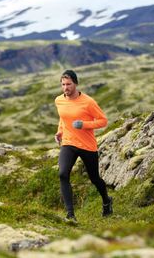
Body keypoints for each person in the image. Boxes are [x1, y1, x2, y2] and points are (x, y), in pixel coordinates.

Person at [54, 69, 113, 222]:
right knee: (63, 174)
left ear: (76, 84)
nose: (65, 88)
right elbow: (63, 118)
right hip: (68, 142)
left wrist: (84, 124)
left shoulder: (88, 102)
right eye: (63, 84)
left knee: (94, 178)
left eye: (68, 84)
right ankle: (70, 215)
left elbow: (103, 121)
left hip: (87, 145)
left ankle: (106, 201)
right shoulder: (59, 100)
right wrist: (60, 131)